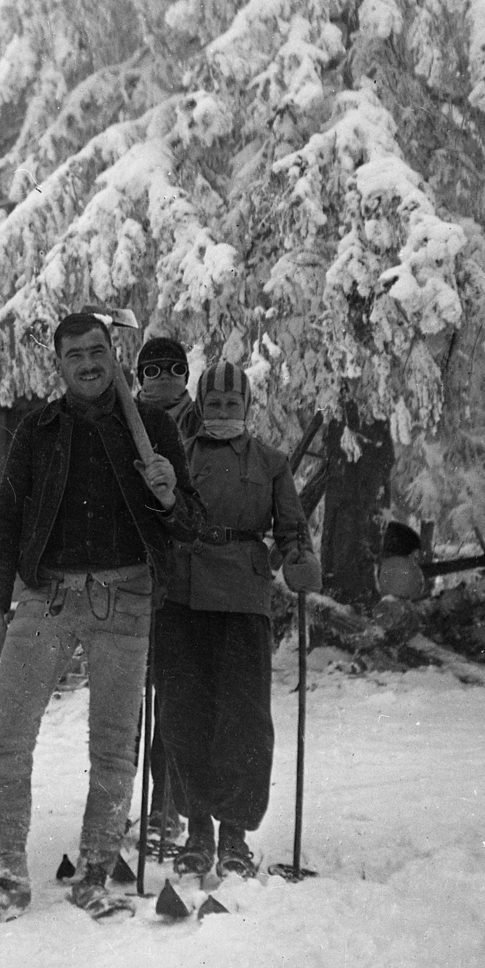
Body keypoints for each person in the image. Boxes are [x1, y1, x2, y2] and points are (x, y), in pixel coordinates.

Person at [0, 311, 203, 921]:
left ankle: (96, 866)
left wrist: (170, 490)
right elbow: (6, 519)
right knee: (8, 737)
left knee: (114, 746)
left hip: (125, 599)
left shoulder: (149, 429)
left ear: (112, 355)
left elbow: (189, 524)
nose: (90, 364)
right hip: (46, 599)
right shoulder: (37, 430)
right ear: (60, 363)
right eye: (76, 355)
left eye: (98, 351)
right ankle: (6, 867)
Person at [157, 361, 320, 879]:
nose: (222, 412)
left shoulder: (271, 462)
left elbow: (293, 529)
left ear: (247, 408)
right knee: (186, 714)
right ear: (200, 408)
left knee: (244, 718)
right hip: (182, 597)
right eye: (213, 404)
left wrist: (299, 560)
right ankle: (198, 830)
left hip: (245, 599)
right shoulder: (177, 458)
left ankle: (234, 834)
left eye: (232, 404)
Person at [134, 334, 199, 851]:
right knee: (127, 699)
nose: (163, 378)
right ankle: (119, 806)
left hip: (188, 579)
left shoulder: (209, 424)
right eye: (152, 369)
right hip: (133, 572)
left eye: (173, 368)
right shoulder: (123, 419)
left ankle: (167, 805)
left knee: (173, 699)